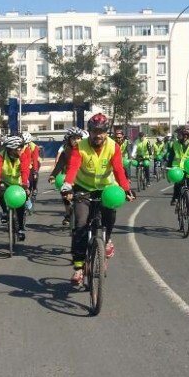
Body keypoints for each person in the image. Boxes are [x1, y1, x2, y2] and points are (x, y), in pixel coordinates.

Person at [61, 113, 133, 286]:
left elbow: (118, 170)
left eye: (101, 131)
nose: (98, 135)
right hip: (83, 189)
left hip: (106, 189)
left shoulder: (113, 146)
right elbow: (73, 167)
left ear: (106, 132)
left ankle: (107, 239)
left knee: (109, 214)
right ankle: (78, 267)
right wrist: (67, 184)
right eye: (94, 131)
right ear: (90, 131)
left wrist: (126, 189)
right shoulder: (81, 147)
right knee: (80, 224)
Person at [0, 135, 31, 241]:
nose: (21, 150)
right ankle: (5, 211)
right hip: (5, 181)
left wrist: (25, 186)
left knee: (21, 204)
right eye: (19, 149)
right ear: (11, 149)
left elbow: (24, 171)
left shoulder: (23, 156)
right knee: (0, 192)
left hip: (19, 183)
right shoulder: (0, 156)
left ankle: (21, 228)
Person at [48, 127, 84, 226]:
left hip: (83, 180)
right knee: (65, 194)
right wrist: (53, 176)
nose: (76, 141)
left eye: (78, 138)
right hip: (69, 178)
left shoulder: (86, 151)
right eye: (73, 138)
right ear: (69, 140)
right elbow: (59, 164)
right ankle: (68, 214)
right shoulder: (66, 151)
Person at [21, 132, 41, 199]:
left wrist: (35, 171)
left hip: (34, 162)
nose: (25, 145)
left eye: (26, 143)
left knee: (34, 176)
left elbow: (35, 160)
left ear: (29, 142)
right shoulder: (21, 146)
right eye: (24, 143)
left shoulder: (34, 147)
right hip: (26, 162)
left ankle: (35, 188)